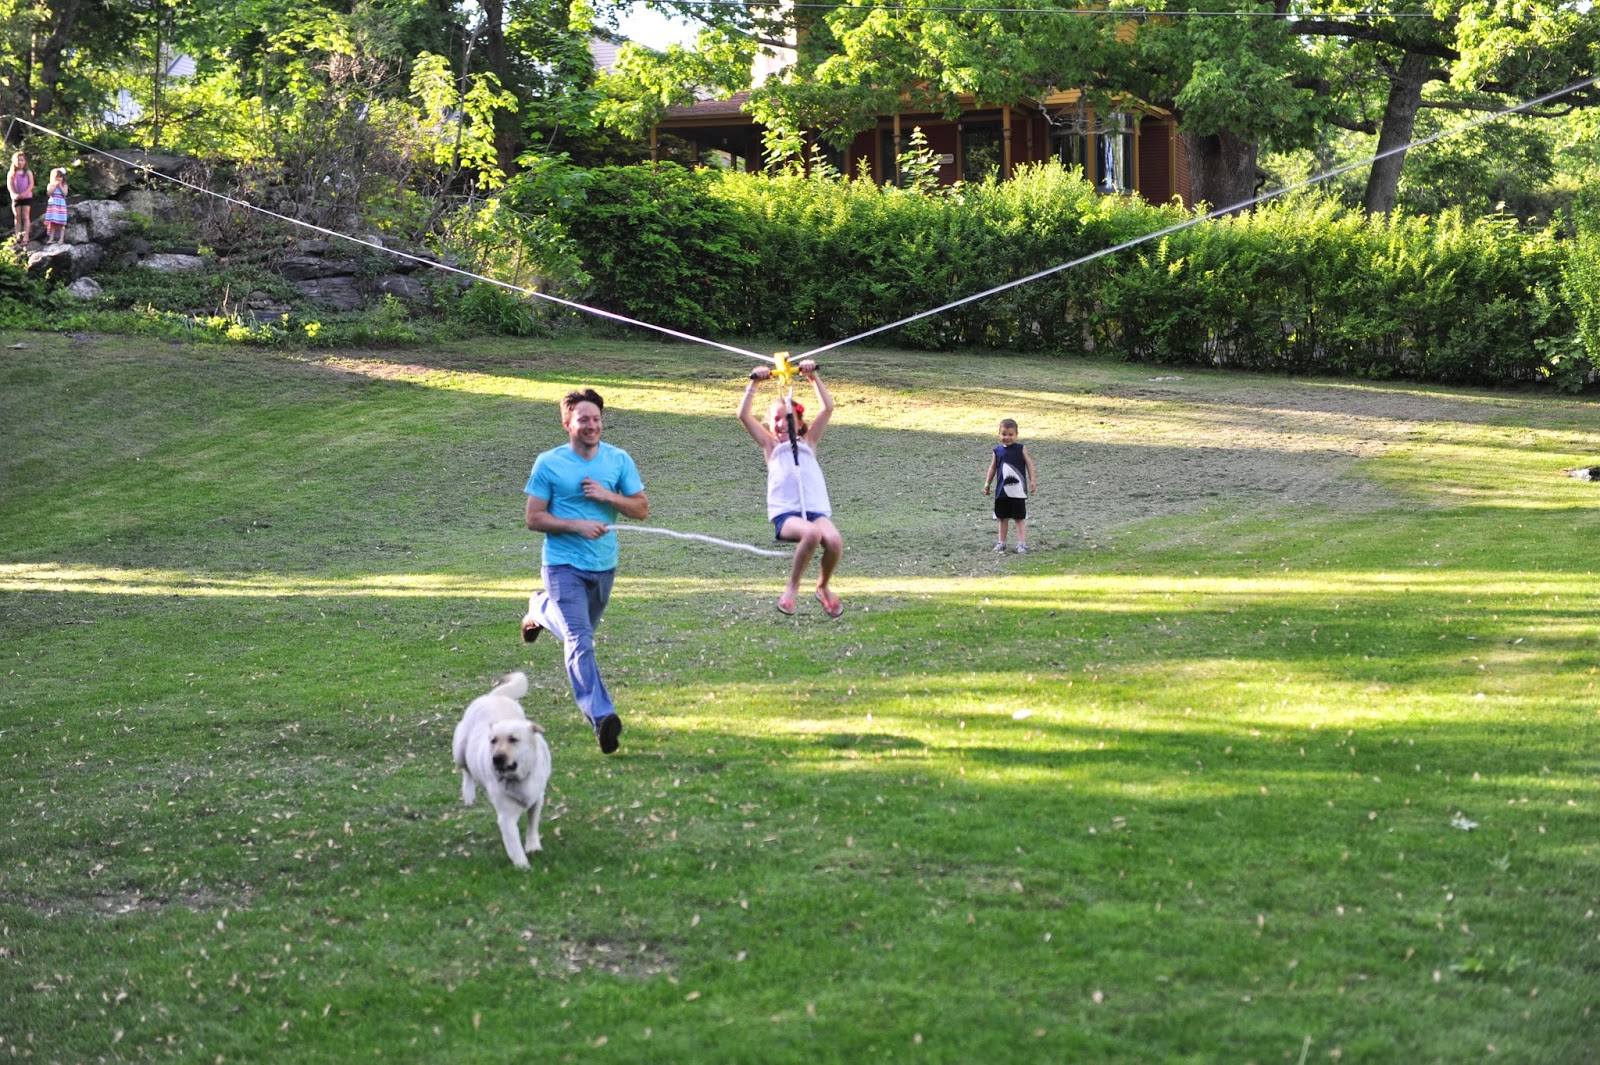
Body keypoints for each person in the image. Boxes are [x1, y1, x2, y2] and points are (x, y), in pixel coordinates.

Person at [520, 388, 649, 754]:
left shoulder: (618, 460)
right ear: (567, 424)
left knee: (579, 636)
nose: (591, 425)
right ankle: (602, 717)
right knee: (579, 640)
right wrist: (576, 525)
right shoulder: (549, 463)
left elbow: (641, 509)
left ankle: (539, 608)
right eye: (583, 420)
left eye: (596, 419)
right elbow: (534, 518)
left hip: (604, 566)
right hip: (562, 566)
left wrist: (608, 496)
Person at [738, 358, 844, 618]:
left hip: (815, 512)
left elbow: (828, 408)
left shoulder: (809, 442)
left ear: (799, 421)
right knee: (812, 534)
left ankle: (822, 586)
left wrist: (812, 377)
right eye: (776, 419)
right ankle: (792, 588)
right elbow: (743, 415)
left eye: (788, 418)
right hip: (787, 516)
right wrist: (755, 383)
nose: (782, 424)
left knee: (834, 540)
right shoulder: (771, 446)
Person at [983, 417, 1037, 553]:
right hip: (1002, 492)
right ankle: (1001, 543)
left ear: (1016, 434)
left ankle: (1022, 544)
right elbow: (992, 468)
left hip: (1018, 492)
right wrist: (987, 483)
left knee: (1019, 518)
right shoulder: (997, 451)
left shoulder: (1021, 449)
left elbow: (1029, 464)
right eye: (1004, 434)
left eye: (1010, 434)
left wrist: (1032, 480)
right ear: (999, 433)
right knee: (1002, 518)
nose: (1007, 437)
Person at [8, 152, 35, 245]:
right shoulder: (12, 173)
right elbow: (10, 185)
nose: (19, 162)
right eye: (17, 160)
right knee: (17, 216)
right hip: (16, 197)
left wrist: (25, 193)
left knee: (25, 216)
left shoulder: (28, 172)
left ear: (25, 162)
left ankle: (26, 237)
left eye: (21, 160)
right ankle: (18, 236)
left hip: (26, 197)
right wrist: (13, 194)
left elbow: (31, 184)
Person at [43, 169, 68, 245]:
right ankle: (51, 238)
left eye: (60, 177)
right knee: (53, 222)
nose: (59, 179)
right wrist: (54, 187)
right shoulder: (50, 185)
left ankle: (61, 239)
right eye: (57, 177)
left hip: (61, 206)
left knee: (61, 223)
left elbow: (65, 194)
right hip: (53, 205)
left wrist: (60, 186)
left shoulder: (64, 185)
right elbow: (49, 193)